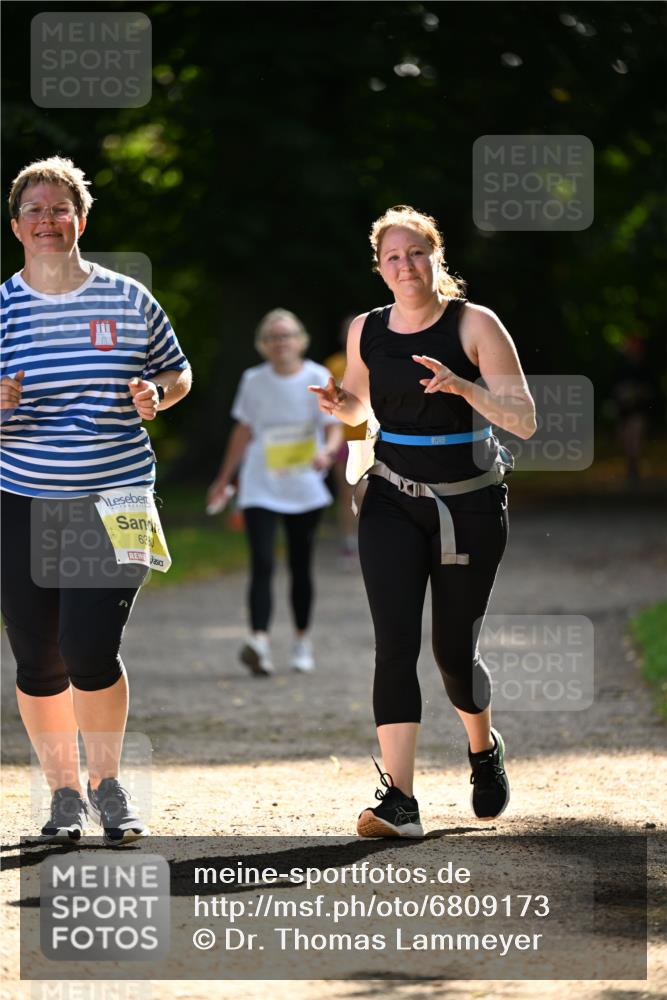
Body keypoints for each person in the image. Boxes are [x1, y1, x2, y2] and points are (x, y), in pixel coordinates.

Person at [310, 205, 536, 837]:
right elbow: (358, 398)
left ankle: (483, 750)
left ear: (437, 257)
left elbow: (524, 419)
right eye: (393, 257)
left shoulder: (474, 323)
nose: (405, 266)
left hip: (468, 504)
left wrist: (465, 387)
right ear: (379, 269)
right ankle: (400, 800)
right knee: (395, 645)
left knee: (453, 654)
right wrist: (341, 404)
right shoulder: (367, 329)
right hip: (391, 498)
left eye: (416, 253)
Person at [0, 156, 191, 844]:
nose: (47, 221)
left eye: (59, 209)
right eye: (34, 210)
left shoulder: (126, 299)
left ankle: (109, 787)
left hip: (114, 497)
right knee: (38, 659)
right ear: (16, 224)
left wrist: (157, 395)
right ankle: (62, 796)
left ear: (80, 219)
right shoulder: (3, 307)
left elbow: (176, 369)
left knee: (88, 647)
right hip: (21, 499)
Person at [207, 308, 342, 675]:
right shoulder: (253, 380)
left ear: (301, 340)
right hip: (260, 483)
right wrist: (224, 478)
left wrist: (327, 452)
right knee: (262, 563)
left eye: (287, 335)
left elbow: (333, 425)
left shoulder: (318, 376)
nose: (280, 343)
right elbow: (243, 430)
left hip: (303, 483)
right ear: (262, 345)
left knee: (301, 565)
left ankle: (301, 640)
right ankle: (260, 643)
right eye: (272, 337)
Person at [324, 316, 368, 567]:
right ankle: (350, 542)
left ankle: (368, 539)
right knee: (346, 493)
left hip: (371, 439)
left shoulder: (375, 360)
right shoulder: (334, 364)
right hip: (344, 438)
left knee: (369, 493)